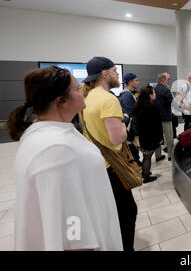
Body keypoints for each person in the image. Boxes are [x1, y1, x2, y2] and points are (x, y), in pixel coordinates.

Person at [8, 66, 122, 251]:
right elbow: (72, 234)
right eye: (77, 90)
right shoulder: (56, 150)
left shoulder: (46, 135)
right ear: (61, 101)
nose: (82, 93)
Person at [80, 57, 136, 251]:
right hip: (111, 167)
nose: (117, 74)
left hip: (96, 164)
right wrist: (124, 122)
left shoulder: (86, 97)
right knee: (128, 213)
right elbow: (117, 139)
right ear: (105, 74)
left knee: (112, 213)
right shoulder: (108, 99)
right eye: (114, 70)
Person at [130, 85, 161, 183]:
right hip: (150, 138)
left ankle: (144, 172)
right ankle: (146, 176)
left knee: (145, 156)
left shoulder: (137, 106)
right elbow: (157, 125)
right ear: (149, 95)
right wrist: (160, 138)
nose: (155, 94)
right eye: (154, 93)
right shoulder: (152, 107)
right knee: (148, 157)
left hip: (141, 137)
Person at [119, 73, 140, 165]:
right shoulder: (126, 95)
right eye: (136, 80)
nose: (138, 82)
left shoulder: (133, 93)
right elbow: (130, 112)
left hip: (134, 125)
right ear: (131, 82)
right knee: (133, 150)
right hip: (131, 127)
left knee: (135, 150)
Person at [153, 72, 174, 161]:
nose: (168, 81)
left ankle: (158, 155)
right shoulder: (165, 90)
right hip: (165, 117)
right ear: (163, 80)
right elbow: (171, 101)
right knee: (169, 137)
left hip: (156, 118)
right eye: (167, 79)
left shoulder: (154, 89)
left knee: (158, 137)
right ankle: (170, 155)